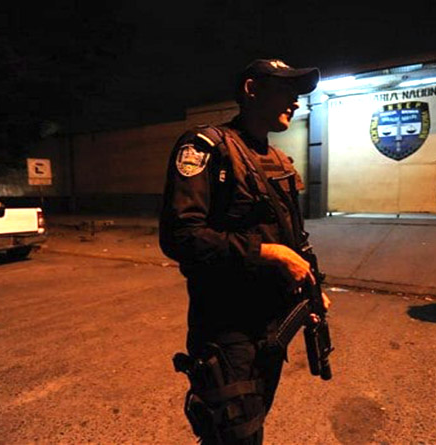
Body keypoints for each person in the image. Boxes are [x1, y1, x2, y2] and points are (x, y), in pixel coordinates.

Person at [159, 59, 331, 444]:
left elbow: (292, 238)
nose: (296, 101)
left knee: (255, 424)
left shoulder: (279, 160)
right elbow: (181, 236)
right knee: (235, 433)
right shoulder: (206, 146)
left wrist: (310, 288)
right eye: (286, 90)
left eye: (298, 93)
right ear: (252, 90)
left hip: (272, 325)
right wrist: (270, 254)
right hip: (227, 328)